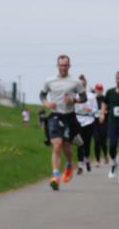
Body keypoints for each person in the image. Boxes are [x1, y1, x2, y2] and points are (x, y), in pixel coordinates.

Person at [38, 55, 87, 190]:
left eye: (65, 65)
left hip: (69, 117)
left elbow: (84, 97)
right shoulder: (50, 81)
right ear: (57, 66)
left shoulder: (75, 82)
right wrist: (47, 103)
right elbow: (42, 95)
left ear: (69, 66)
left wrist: (74, 101)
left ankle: (70, 165)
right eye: (61, 65)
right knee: (57, 145)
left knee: (66, 147)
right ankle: (55, 176)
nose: (63, 68)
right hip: (55, 116)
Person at [73, 74, 98, 173]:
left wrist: (90, 109)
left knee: (87, 144)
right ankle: (80, 166)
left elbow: (96, 109)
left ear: (86, 84)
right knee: (80, 143)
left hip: (89, 121)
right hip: (78, 120)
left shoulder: (91, 96)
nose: (81, 86)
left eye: (83, 84)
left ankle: (86, 160)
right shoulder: (74, 95)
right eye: (79, 84)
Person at [91, 82, 107, 167]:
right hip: (95, 122)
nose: (99, 91)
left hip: (104, 122)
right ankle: (97, 160)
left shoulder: (105, 99)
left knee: (103, 141)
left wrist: (105, 112)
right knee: (96, 141)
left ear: (102, 90)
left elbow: (110, 108)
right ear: (95, 90)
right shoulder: (93, 99)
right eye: (98, 89)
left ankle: (105, 155)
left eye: (100, 89)